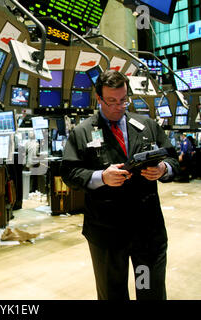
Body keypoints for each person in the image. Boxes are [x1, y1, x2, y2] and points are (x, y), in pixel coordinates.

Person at [60, 70, 179, 300]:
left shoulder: (146, 125)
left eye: (123, 100)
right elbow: (69, 173)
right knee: (112, 293)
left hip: (146, 232)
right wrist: (101, 177)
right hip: (107, 234)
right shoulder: (83, 132)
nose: (119, 106)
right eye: (112, 101)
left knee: (148, 289)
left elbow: (172, 158)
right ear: (99, 99)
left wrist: (163, 169)